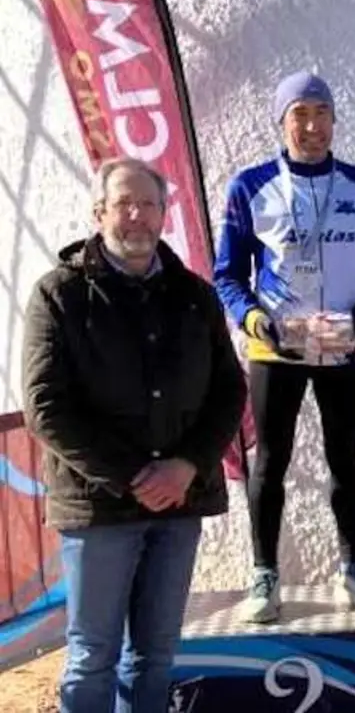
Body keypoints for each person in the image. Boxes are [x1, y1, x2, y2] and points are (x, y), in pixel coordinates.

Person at [22, 157, 247, 712]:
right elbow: (46, 405)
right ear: (99, 213)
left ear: (164, 215)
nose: (136, 216)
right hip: (99, 509)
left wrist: (187, 465)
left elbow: (229, 389)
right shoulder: (59, 295)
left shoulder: (196, 296)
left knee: (154, 654)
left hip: (179, 503)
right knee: (92, 654)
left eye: (148, 204)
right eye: (123, 204)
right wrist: (133, 476)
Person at [213, 70, 355, 623]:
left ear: (335, 121)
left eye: (322, 113)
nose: (313, 126)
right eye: (300, 114)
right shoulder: (250, 186)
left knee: (345, 459)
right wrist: (252, 320)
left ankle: (353, 569)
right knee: (271, 461)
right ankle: (265, 575)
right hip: (277, 350)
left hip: (346, 348)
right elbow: (227, 272)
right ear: (282, 121)